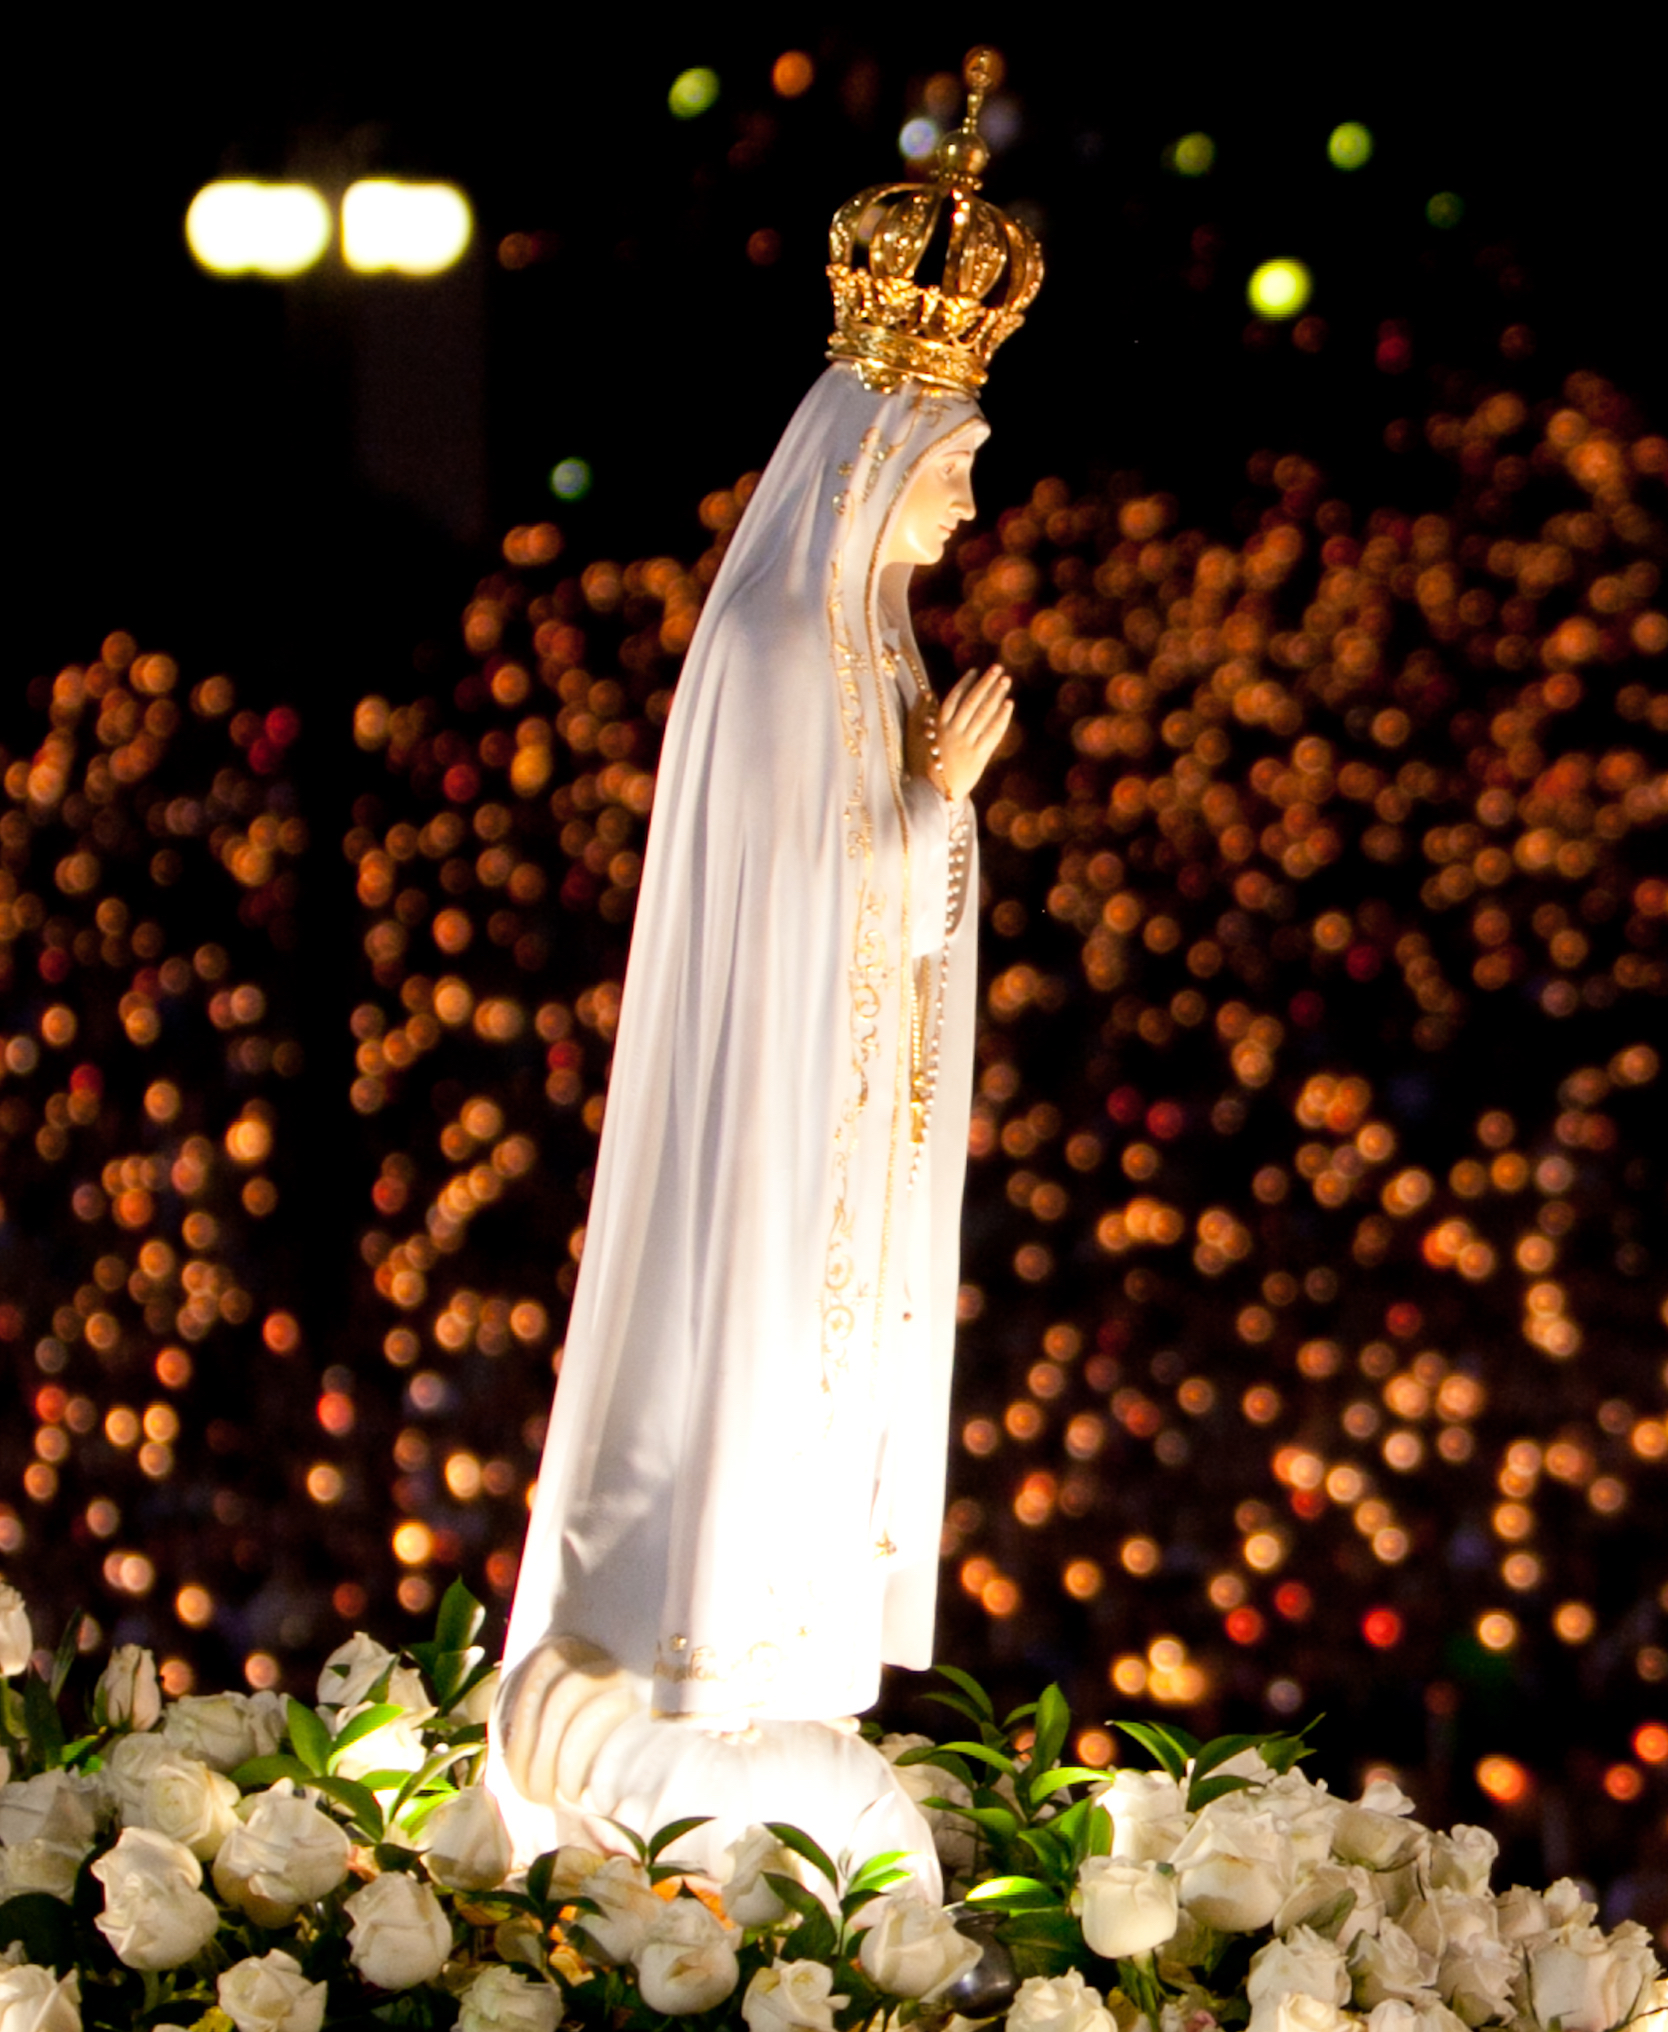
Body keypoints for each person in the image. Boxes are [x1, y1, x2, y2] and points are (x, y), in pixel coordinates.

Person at [483, 48, 1037, 1870]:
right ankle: (687, 1669)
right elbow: (786, 919)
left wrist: (933, 823)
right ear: (878, 462)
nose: (964, 511)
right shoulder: (786, 659)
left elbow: (889, 915)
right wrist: (922, 812)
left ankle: (776, 1652)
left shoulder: (868, 645)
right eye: (951, 475)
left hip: (845, 1157)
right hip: (766, 1146)